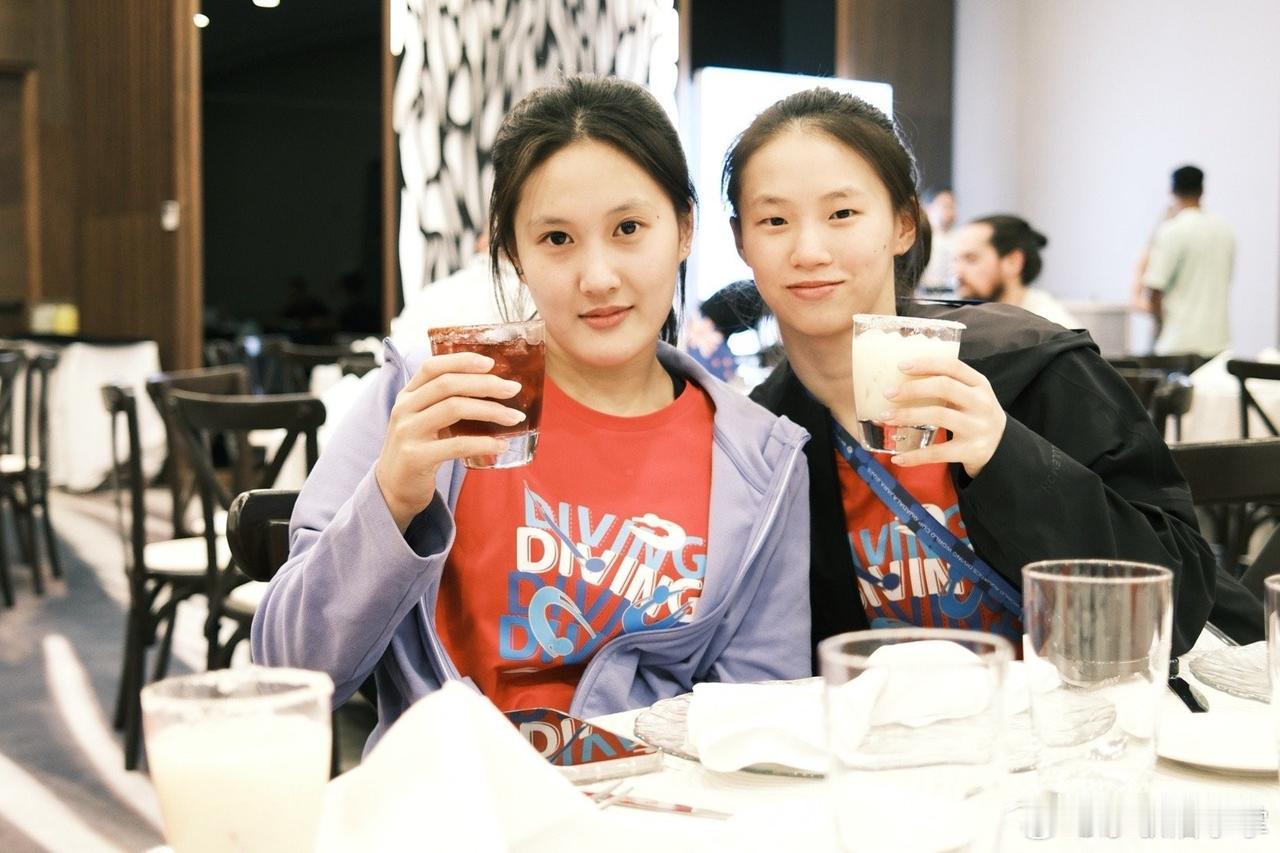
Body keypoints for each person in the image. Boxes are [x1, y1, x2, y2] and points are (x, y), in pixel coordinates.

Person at [252, 76, 812, 748]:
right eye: (556, 238)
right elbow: (288, 671)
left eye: (628, 228)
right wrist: (391, 496)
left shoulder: (760, 463)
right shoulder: (427, 398)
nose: (597, 277)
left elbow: (759, 727)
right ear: (514, 252)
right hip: (448, 794)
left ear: (684, 228)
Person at [722, 87, 1215, 656]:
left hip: (1065, 707)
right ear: (741, 242)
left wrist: (1007, 456)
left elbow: (1177, 605)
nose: (809, 251)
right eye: (774, 220)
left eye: (842, 214)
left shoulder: (1032, 365)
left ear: (904, 223)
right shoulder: (762, 440)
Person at [1142, 165, 1235, 358]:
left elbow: (1154, 289)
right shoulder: (1225, 231)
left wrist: (1159, 324)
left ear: (1171, 191)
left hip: (1178, 345)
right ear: (1202, 190)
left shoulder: (1172, 231)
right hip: (1218, 344)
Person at [951, 214, 1079, 329]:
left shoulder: (1053, 330)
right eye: (956, 260)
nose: (957, 271)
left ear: (1013, 262)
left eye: (971, 259)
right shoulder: (965, 320)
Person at [917, 187, 957, 296]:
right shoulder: (918, 238)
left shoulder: (961, 239)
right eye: (946, 206)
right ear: (927, 207)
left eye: (953, 207)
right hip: (924, 295)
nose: (951, 212)